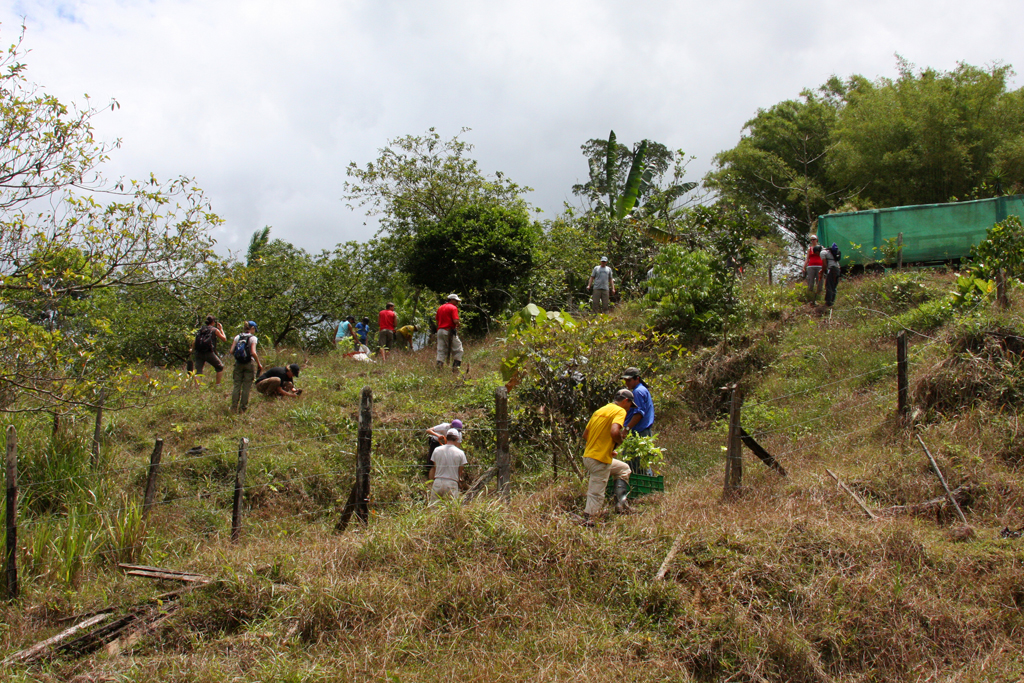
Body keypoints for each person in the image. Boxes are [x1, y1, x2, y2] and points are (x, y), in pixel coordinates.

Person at [581, 389, 634, 519]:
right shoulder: (620, 411)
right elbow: (615, 432)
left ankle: (620, 505)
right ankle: (589, 519)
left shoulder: (600, 410)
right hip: (599, 460)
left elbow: (586, 435)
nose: (629, 409)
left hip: (588, 457)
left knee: (623, 469)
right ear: (626, 401)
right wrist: (620, 441)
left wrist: (606, 448)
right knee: (596, 493)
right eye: (630, 405)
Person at [621, 367, 655, 472]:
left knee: (636, 464)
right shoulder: (640, 390)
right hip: (641, 432)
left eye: (629, 380)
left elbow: (639, 414)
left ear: (637, 379)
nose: (627, 383)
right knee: (641, 463)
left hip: (639, 432)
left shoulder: (638, 392)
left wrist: (626, 429)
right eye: (625, 380)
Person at [229, 321, 263, 413]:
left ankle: (233, 407)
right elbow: (253, 352)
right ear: (252, 328)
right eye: (254, 329)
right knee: (246, 387)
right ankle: (243, 409)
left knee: (236, 386)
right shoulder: (253, 338)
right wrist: (259, 363)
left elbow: (231, 351)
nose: (255, 331)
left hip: (238, 364)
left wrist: (239, 356)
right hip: (249, 364)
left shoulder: (237, 337)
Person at [428, 428, 467, 505]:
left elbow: (435, 467)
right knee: (452, 510)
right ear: (457, 438)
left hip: (438, 482)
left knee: (433, 509)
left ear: (446, 437)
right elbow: (460, 471)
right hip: (452, 482)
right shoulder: (460, 453)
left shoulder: (437, 450)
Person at [190, 315, 228, 385]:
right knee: (220, 367)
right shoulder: (214, 330)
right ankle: (217, 385)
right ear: (213, 322)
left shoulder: (201, 329)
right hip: (208, 352)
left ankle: (197, 388)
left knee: (198, 371)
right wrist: (221, 329)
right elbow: (224, 339)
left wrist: (192, 350)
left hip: (198, 352)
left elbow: (195, 341)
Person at [436, 294, 463, 372]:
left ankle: (439, 369)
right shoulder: (453, 308)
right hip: (448, 331)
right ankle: (455, 369)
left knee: (441, 350)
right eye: (456, 301)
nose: (457, 303)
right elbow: (455, 321)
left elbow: (437, 321)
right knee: (459, 350)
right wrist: (458, 324)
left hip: (440, 331)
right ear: (451, 300)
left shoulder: (440, 308)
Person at [803, 235, 824, 304]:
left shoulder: (821, 248)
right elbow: (807, 259)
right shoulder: (810, 249)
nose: (812, 241)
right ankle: (810, 296)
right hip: (811, 266)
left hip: (819, 266)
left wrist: (825, 266)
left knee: (820, 281)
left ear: (817, 240)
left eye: (814, 239)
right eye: (811, 240)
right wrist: (804, 267)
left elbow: (824, 257)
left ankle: (819, 295)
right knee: (810, 281)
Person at [822, 242, 841, 307]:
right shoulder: (830, 251)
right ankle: (832, 301)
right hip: (837, 269)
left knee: (829, 286)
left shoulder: (823, 253)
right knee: (834, 286)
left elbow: (824, 264)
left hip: (831, 270)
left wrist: (822, 271)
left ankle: (828, 302)